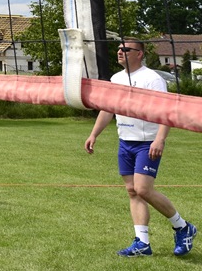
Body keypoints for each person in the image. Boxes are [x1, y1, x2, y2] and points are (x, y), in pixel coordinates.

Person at [84, 37, 196, 257]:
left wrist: (160, 139)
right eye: (118, 48)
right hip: (126, 141)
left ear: (139, 54)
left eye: (126, 49)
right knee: (133, 191)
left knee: (144, 189)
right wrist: (94, 134)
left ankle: (182, 226)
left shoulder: (152, 79)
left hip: (147, 143)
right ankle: (142, 243)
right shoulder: (116, 78)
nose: (120, 51)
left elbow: (168, 112)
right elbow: (107, 109)